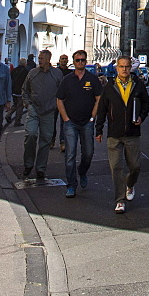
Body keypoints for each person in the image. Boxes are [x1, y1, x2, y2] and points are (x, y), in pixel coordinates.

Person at [95, 56, 149, 213]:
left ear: (130, 68)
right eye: (121, 66)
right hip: (114, 133)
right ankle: (119, 200)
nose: (124, 69)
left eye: (127, 67)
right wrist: (98, 130)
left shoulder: (138, 84)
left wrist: (142, 116)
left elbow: (147, 102)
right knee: (116, 167)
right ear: (117, 68)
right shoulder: (110, 86)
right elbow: (102, 109)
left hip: (132, 133)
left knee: (135, 166)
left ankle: (130, 184)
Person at [56, 50, 103, 198]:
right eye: (78, 60)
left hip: (87, 122)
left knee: (88, 153)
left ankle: (82, 171)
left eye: (83, 60)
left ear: (86, 61)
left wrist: (92, 117)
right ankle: (71, 185)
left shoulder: (92, 79)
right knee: (70, 155)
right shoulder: (67, 79)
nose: (80, 63)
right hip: (70, 122)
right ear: (74, 62)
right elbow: (59, 99)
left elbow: (99, 99)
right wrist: (65, 118)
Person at [21, 49, 64, 181]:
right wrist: (27, 104)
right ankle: (28, 164)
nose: (39, 60)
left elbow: (61, 92)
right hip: (34, 109)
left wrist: (56, 106)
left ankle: (40, 168)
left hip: (49, 111)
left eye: (41, 58)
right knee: (31, 134)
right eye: (38, 58)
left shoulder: (57, 74)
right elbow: (25, 89)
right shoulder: (33, 73)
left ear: (48, 59)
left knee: (45, 140)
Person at [51, 54, 72, 150]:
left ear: (67, 61)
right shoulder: (54, 72)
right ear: (59, 60)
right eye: (62, 59)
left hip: (66, 100)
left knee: (64, 121)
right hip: (55, 99)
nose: (64, 61)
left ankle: (62, 141)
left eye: (65, 59)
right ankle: (52, 140)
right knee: (52, 121)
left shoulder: (70, 73)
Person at [5, 58, 28, 126]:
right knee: (20, 106)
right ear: (24, 63)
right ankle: (17, 121)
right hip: (21, 91)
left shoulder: (14, 70)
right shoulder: (25, 71)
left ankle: (9, 114)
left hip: (14, 90)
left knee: (15, 104)